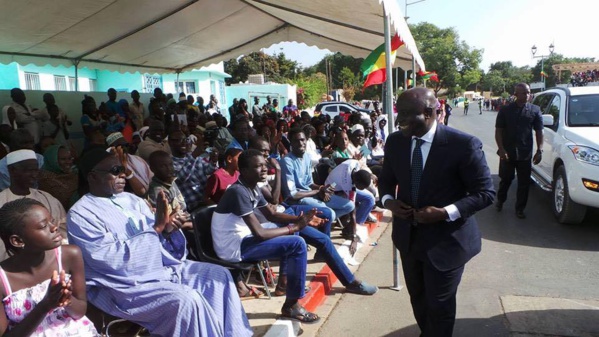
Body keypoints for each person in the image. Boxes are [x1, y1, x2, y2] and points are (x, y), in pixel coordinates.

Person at [67, 148, 252, 336]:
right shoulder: (81, 214)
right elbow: (111, 261)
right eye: (115, 171)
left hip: (161, 269)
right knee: (186, 300)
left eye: (122, 169)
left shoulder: (132, 200)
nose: (123, 175)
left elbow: (159, 242)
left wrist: (168, 229)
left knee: (219, 276)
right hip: (122, 285)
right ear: (92, 177)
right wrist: (156, 229)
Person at [379, 87, 495, 337]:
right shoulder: (396, 141)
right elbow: (386, 181)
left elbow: (485, 193)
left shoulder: (462, 145)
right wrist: (389, 202)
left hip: (447, 243)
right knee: (419, 301)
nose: (400, 121)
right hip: (408, 240)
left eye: (409, 115)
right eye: (400, 113)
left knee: (440, 307)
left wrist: (444, 212)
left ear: (430, 112)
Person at [249, 138, 378, 292]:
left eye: (266, 152)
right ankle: (285, 284)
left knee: (324, 237)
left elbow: (274, 201)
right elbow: (273, 212)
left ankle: (349, 281)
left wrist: (316, 195)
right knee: (298, 239)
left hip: (281, 212)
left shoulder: (258, 179)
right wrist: (299, 221)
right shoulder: (245, 185)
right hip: (271, 221)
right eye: (261, 153)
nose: (265, 157)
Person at [211, 149, 320, 324]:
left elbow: (271, 215)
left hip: (244, 238)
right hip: (234, 247)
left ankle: (285, 284)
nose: (264, 169)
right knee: (297, 244)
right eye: (258, 166)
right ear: (244, 170)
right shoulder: (238, 191)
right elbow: (260, 233)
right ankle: (291, 305)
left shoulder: (252, 187)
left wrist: (300, 220)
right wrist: (294, 227)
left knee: (294, 233)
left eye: (264, 165)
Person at [0, 199, 99, 336]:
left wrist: (67, 299)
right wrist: (45, 305)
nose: (54, 227)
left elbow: (79, 312)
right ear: (17, 241)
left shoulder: (70, 255)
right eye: (43, 226)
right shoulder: (3, 279)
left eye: (52, 221)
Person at [0, 149, 69, 260]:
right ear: (12, 170)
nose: (34, 175)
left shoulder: (48, 199)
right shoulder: (2, 201)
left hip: (51, 260)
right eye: (29, 170)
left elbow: (62, 230)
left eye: (36, 170)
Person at [281, 129, 354, 221]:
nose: (300, 143)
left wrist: (322, 188)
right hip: (299, 200)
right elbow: (292, 194)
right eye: (296, 141)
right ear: (291, 143)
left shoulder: (306, 156)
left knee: (349, 205)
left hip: (312, 194)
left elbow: (309, 183)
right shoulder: (287, 161)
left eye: (303, 140)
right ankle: (320, 221)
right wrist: (317, 192)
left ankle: (320, 221)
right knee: (329, 213)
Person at [495, 83, 544, 219]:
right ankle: (500, 200)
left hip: (525, 154)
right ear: (516, 94)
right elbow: (499, 131)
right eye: (524, 93)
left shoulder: (535, 110)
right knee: (506, 179)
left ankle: (520, 209)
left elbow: (539, 132)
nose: (527, 95)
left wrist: (539, 150)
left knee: (524, 183)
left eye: (528, 92)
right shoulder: (505, 110)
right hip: (508, 153)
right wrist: (501, 149)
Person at [38, 145, 78, 210]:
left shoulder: (74, 175)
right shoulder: (45, 179)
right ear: (52, 160)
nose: (68, 162)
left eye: (70, 158)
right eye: (63, 159)